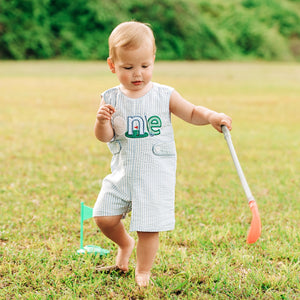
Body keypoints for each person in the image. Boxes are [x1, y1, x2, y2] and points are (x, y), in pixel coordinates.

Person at [93, 21, 232, 287]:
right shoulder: (110, 98)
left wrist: (212, 116)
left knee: (148, 226)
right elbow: (105, 137)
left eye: (145, 66)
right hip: (122, 172)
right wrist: (101, 121)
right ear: (112, 65)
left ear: (153, 60)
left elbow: (191, 112)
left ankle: (143, 270)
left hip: (154, 174)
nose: (138, 74)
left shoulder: (163, 95)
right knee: (104, 217)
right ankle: (125, 244)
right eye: (128, 67)